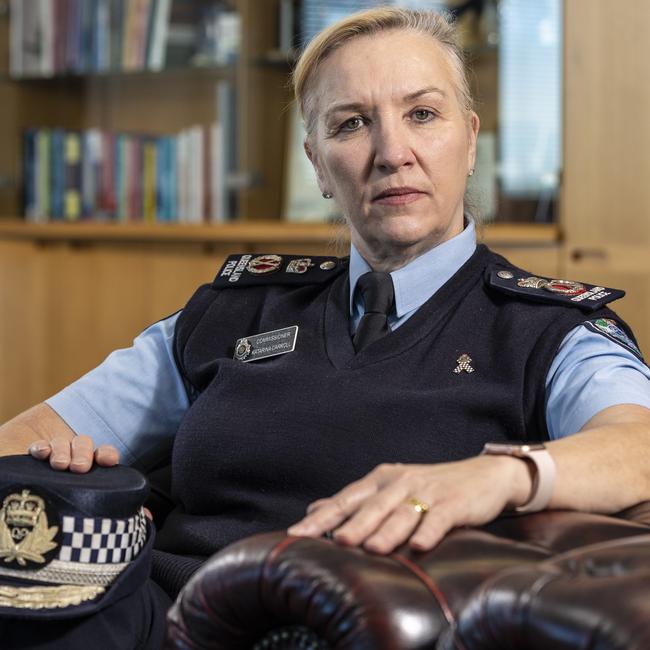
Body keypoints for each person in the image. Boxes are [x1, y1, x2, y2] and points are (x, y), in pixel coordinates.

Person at [1, 6, 650, 648]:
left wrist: (502, 475)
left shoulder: (548, 327)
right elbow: (28, 435)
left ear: (471, 139)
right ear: (316, 162)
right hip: (153, 616)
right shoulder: (235, 308)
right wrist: (58, 465)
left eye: (422, 114)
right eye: (352, 124)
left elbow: (639, 445)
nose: (394, 153)